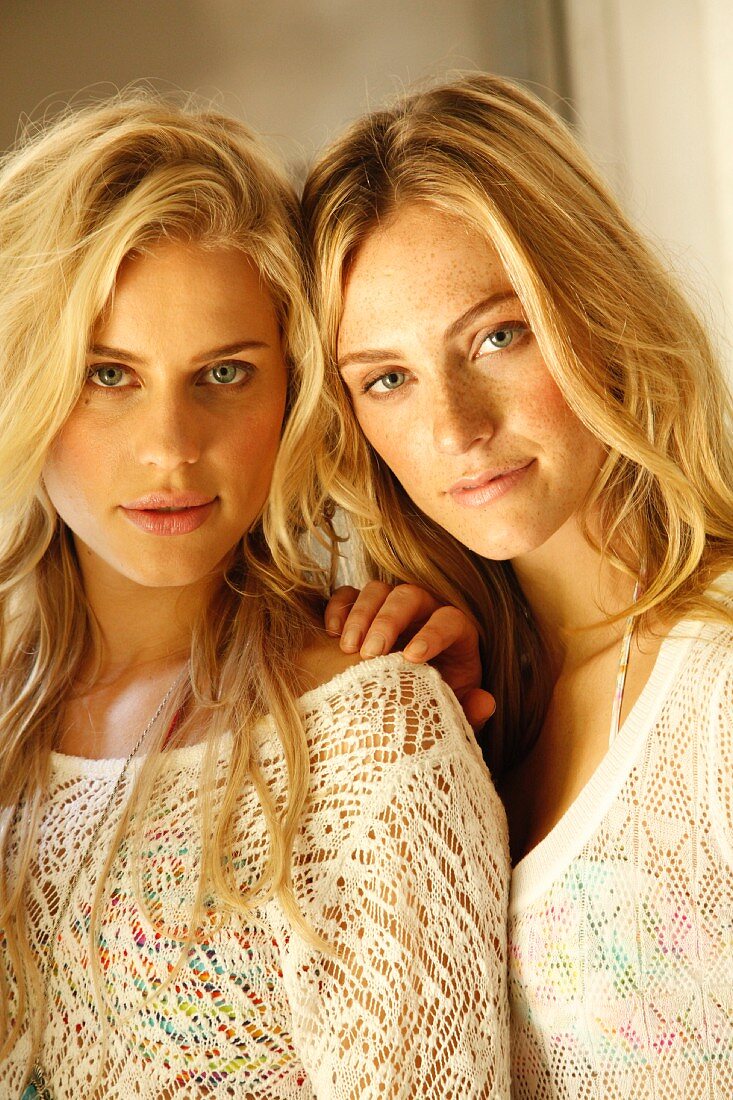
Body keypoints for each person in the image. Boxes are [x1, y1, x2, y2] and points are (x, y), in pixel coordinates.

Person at [0, 95, 511, 1099]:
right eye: (109, 373)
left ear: (295, 389)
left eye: (224, 372)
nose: (171, 447)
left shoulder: (371, 728)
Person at [302, 74, 733, 1098]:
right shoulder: (465, 696)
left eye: (496, 334)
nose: (453, 425)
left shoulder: (714, 677)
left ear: (596, 306)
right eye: (386, 378)